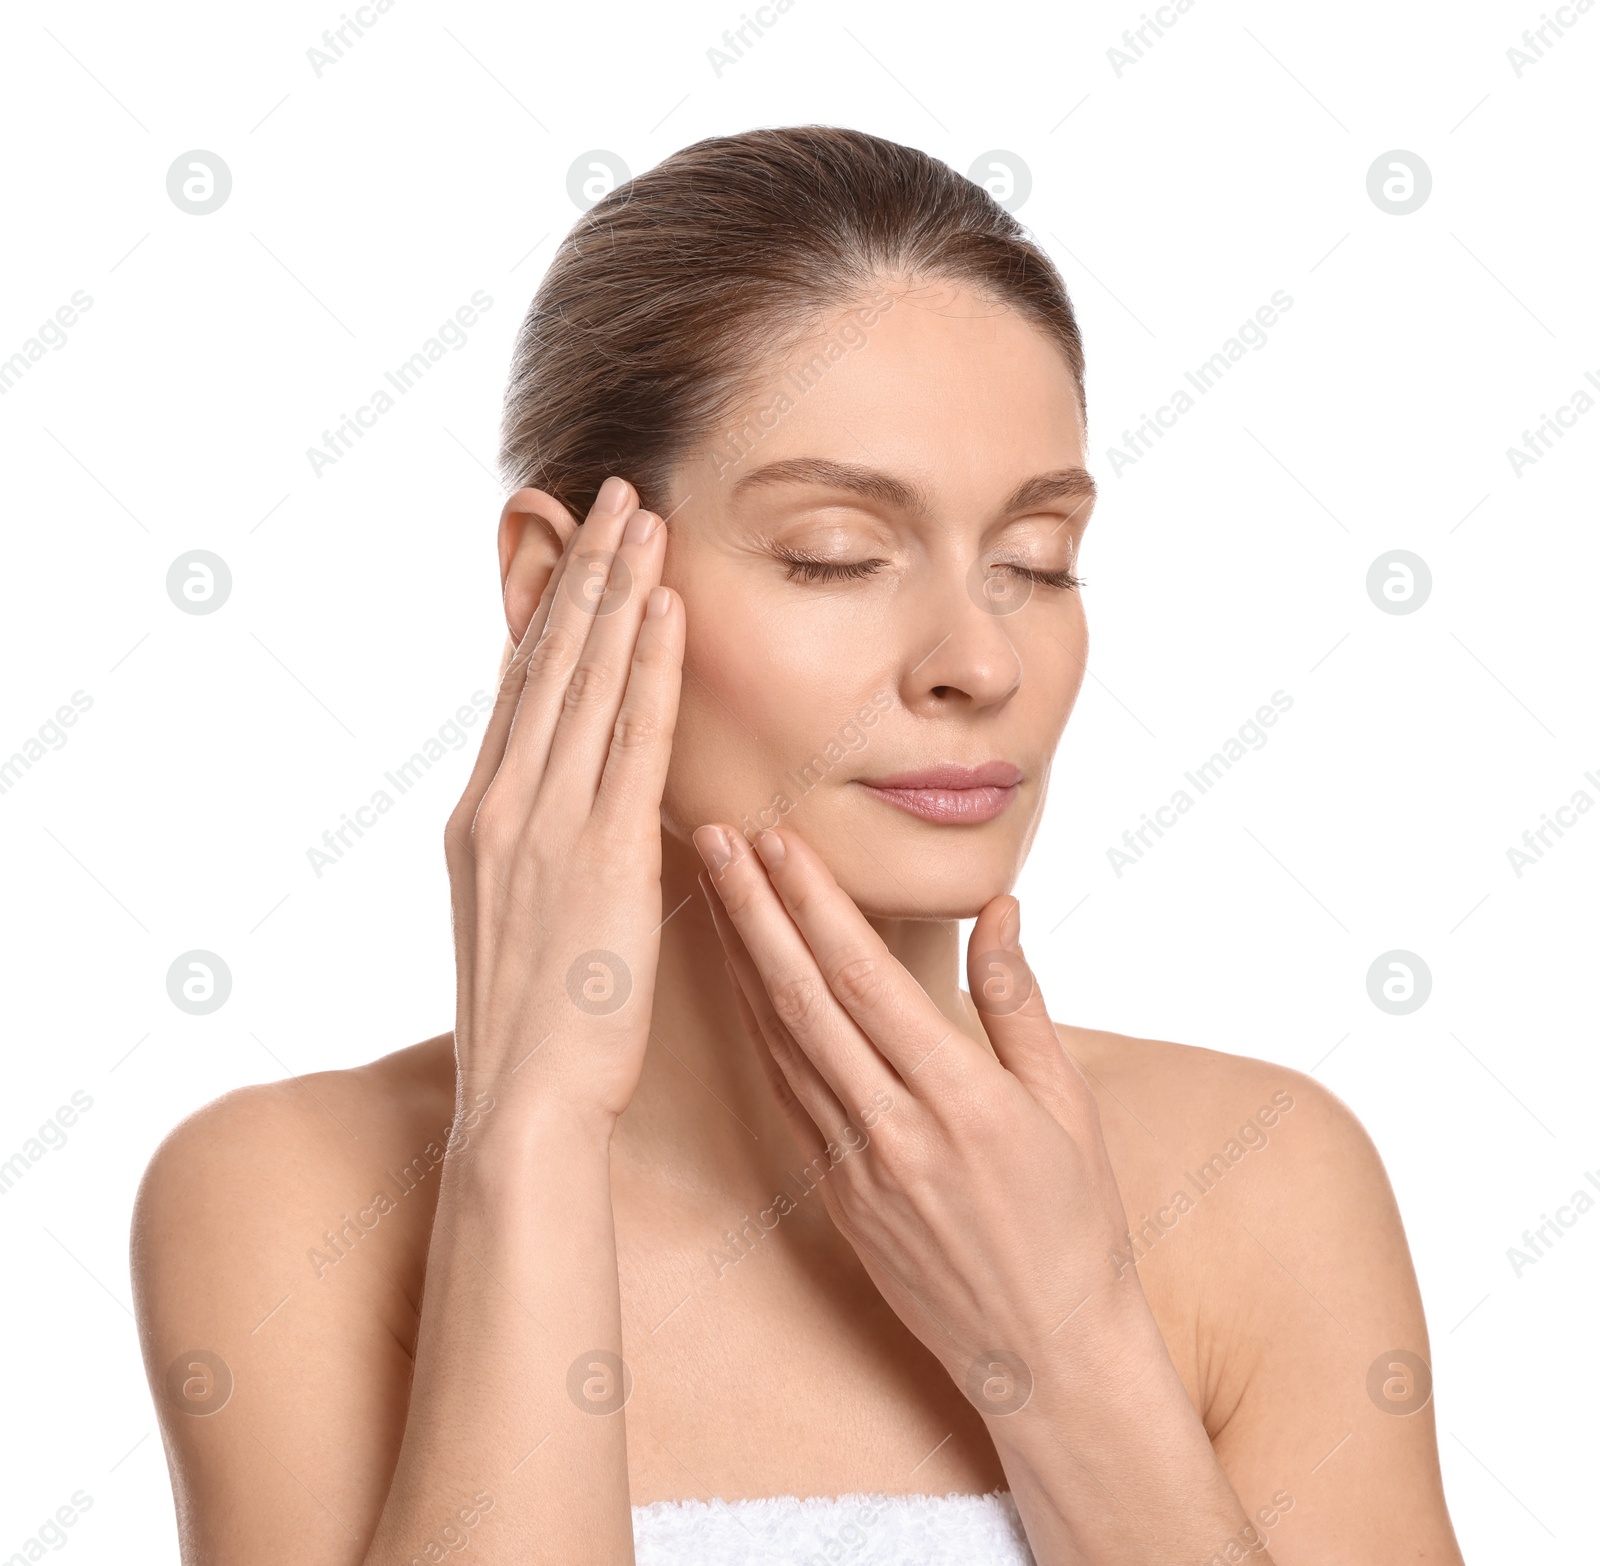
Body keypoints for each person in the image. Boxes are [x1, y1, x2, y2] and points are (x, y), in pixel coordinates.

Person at [131, 126, 1463, 1565]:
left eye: (1035, 562)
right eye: (836, 552)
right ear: (556, 586)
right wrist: (531, 1131)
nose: (980, 659)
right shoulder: (289, 1207)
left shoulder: (1263, 1183)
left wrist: (1066, 1348)